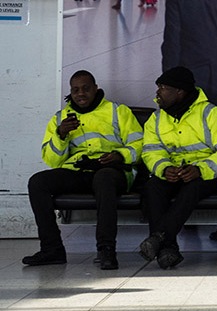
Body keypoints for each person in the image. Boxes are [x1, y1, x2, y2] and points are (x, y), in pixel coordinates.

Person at [24, 70, 143, 270]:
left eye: (86, 88)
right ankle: (52, 249)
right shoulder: (61, 118)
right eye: (75, 90)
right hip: (79, 172)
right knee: (38, 182)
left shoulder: (117, 111)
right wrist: (61, 135)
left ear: (96, 89)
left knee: (104, 178)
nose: (81, 93)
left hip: (113, 170)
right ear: (70, 92)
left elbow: (140, 144)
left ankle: (106, 249)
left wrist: (119, 156)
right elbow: (52, 160)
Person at [139, 67, 217, 269]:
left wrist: (200, 170)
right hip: (174, 172)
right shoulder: (156, 119)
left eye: (163, 88)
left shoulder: (211, 113)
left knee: (191, 188)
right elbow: (150, 151)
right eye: (158, 87)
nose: (158, 92)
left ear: (180, 91)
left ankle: (159, 237)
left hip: (209, 175)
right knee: (153, 187)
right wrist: (164, 168)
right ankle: (169, 249)